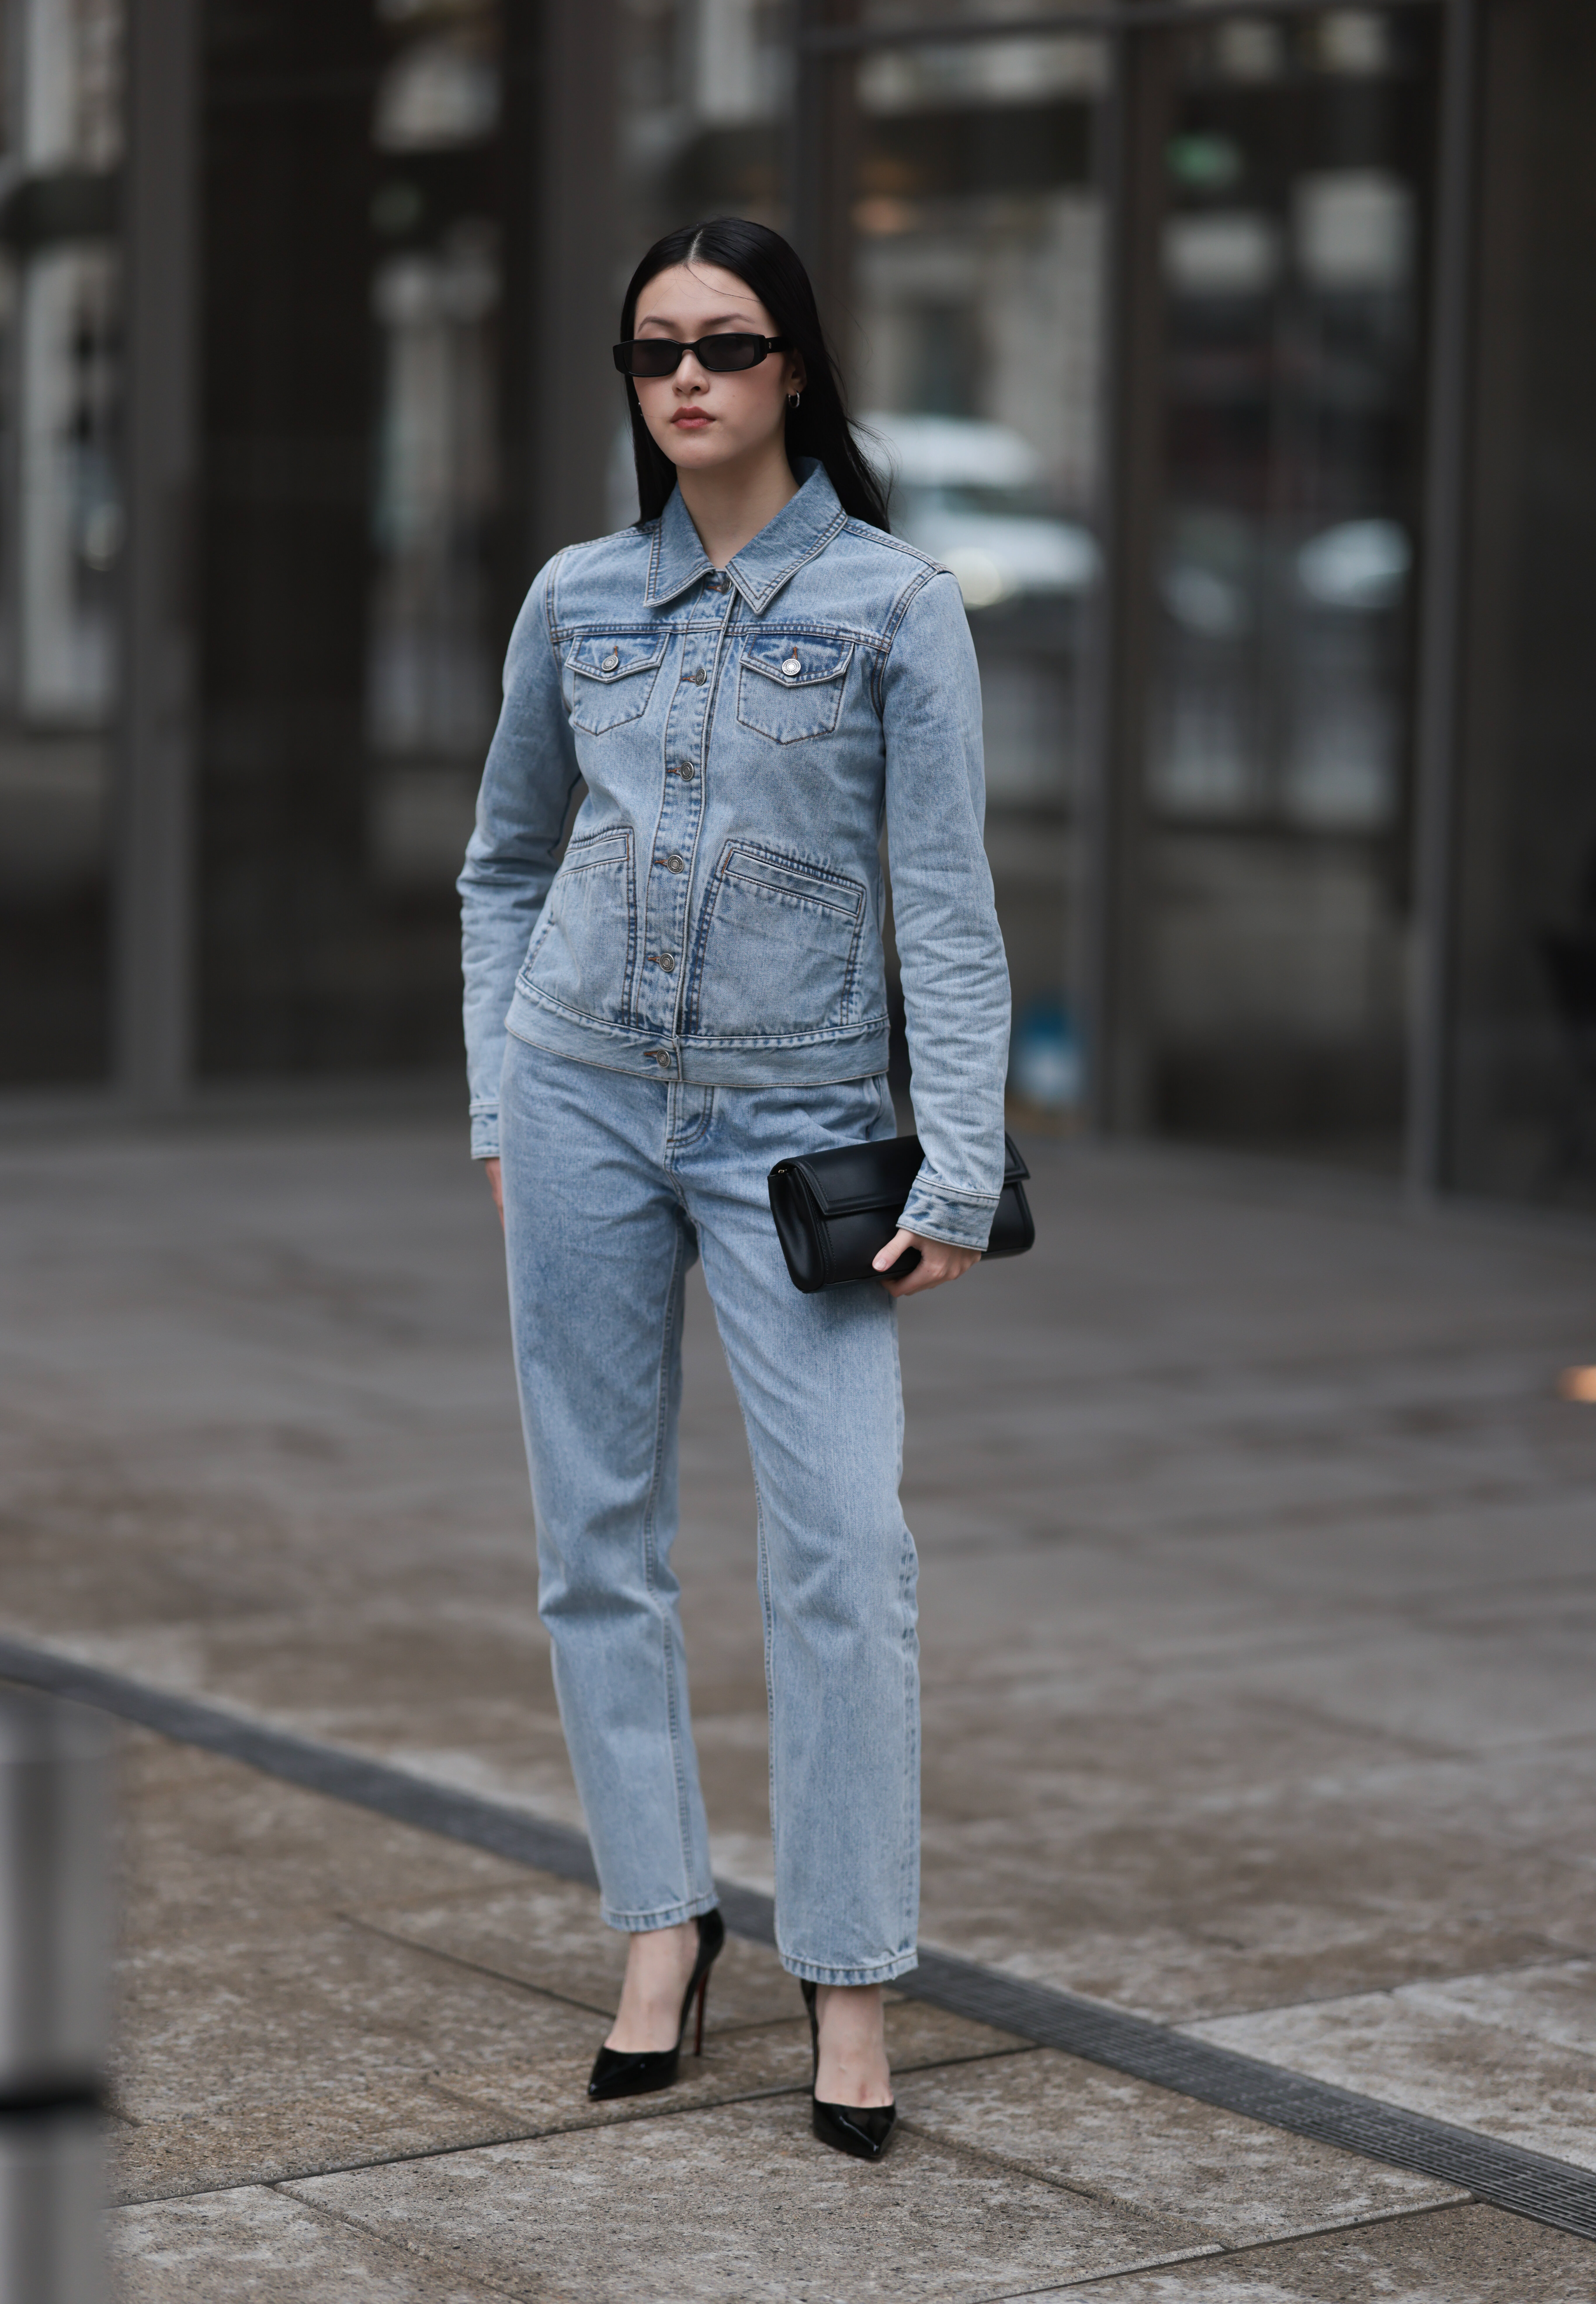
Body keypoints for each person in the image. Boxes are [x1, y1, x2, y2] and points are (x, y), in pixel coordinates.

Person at [458, 216, 1010, 2161]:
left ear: (794, 372)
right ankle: (656, 1926)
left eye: (727, 343)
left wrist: (958, 1158)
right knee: (594, 1538)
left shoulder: (891, 605)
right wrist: (500, 1110)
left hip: (798, 1135)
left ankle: (846, 1982)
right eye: (653, 351)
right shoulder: (574, 600)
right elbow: (503, 864)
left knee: (844, 1550)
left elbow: (942, 905)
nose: (686, 377)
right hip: (583, 1100)